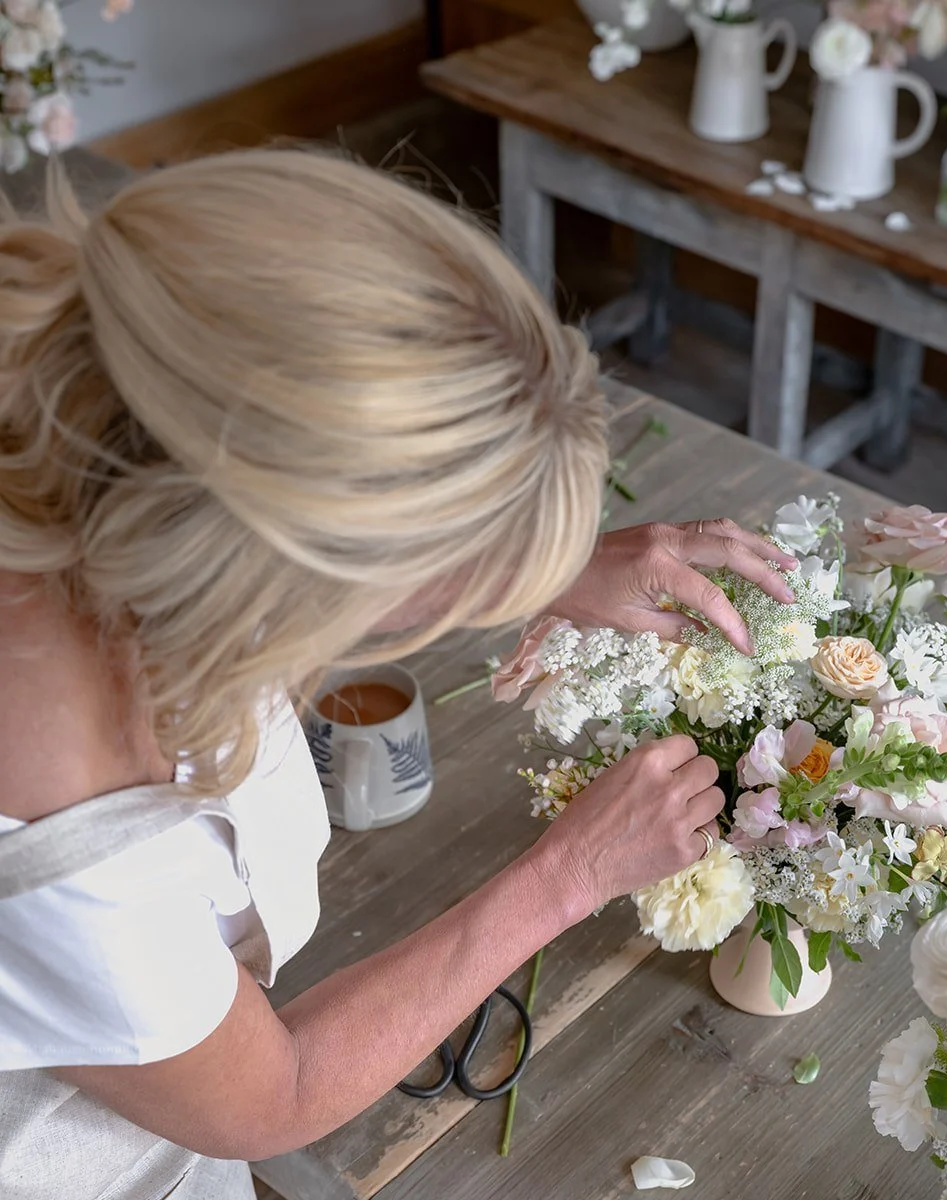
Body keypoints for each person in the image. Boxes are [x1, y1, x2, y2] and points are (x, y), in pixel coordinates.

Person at [0, 149, 800, 1199]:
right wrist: (568, 874)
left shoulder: (115, 449)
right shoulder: (72, 840)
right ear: (285, 567)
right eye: (444, 587)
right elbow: (270, 1097)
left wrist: (535, 558)